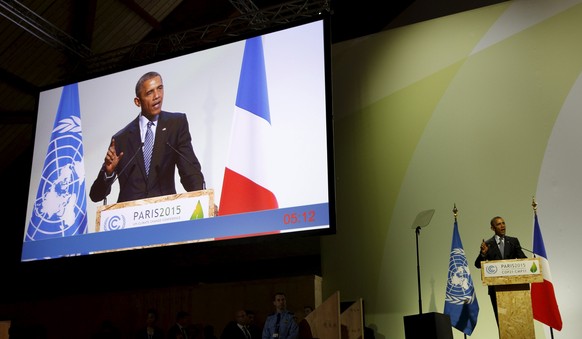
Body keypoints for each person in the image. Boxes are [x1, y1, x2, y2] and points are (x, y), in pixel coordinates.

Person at [89, 71, 205, 204]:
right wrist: (108, 172)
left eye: (160, 88)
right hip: (131, 219)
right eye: (150, 92)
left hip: (166, 214)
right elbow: (96, 195)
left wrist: (203, 199)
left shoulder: (176, 124)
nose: (157, 96)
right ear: (137, 102)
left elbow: (190, 172)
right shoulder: (121, 139)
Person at [474, 216, 527, 324]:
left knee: (517, 321)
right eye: (499, 224)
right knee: (502, 322)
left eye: (503, 223)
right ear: (492, 228)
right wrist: (483, 253)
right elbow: (477, 264)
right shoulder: (488, 244)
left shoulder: (513, 241)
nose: (502, 226)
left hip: (514, 287)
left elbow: (522, 259)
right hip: (496, 289)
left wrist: (531, 263)